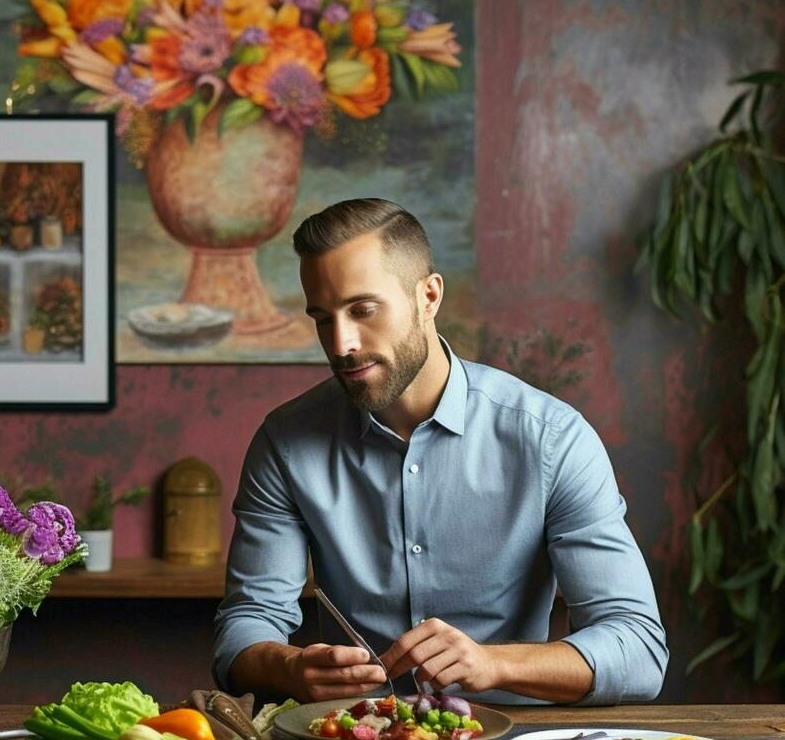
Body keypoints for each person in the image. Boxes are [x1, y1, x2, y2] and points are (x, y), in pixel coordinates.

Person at [213, 198, 667, 706]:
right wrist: (289, 668)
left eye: (362, 310)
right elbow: (244, 628)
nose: (341, 344)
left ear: (428, 296)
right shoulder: (285, 442)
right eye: (323, 318)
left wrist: (493, 663)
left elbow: (639, 650)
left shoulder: (551, 438)